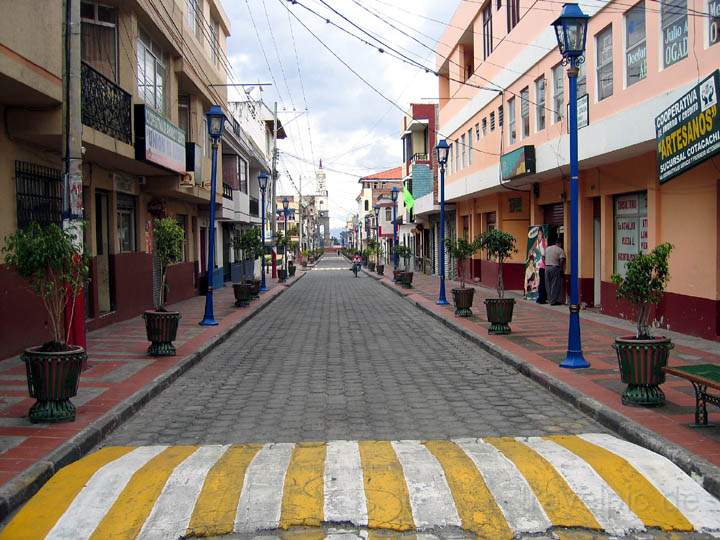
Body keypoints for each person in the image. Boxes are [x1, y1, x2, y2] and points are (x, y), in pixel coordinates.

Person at [545, 237, 566, 305]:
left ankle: (549, 298)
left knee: (548, 284)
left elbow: (543, 257)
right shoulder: (560, 250)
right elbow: (562, 260)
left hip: (547, 267)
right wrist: (560, 267)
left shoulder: (547, 248)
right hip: (555, 267)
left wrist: (546, 263)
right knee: (555, 284)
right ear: (559, 243)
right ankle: (553, 301)